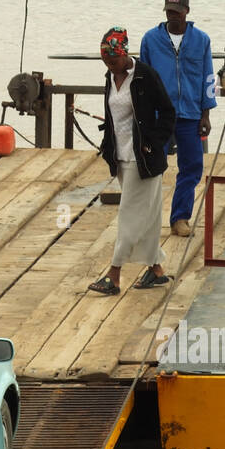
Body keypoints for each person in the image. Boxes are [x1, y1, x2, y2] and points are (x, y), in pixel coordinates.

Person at [89, 26, 176, 295]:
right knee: (148, 217)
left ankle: (114, 275)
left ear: (125, 54)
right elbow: (113, 114)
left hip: (143, 159)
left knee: (129, 216)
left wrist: (153, 143)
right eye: (106, 62)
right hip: (120, 155)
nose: (111, 66)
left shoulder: (145, 76)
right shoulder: (110, 76)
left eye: (114, 61)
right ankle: (156, 271)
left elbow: (168, 113)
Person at [140, 0, 217, 237]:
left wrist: (206, 114)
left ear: (186, 12)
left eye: (177, 12)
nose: (173, 16)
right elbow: (142, 80)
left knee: (192, 166)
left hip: (191, 115)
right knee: (152, 166)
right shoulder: (150, 40)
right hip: (159, 115)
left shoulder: (201, 40)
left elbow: (208, 78)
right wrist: (144, 116)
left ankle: (180, 218)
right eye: (169, 12)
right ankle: (148, 221)